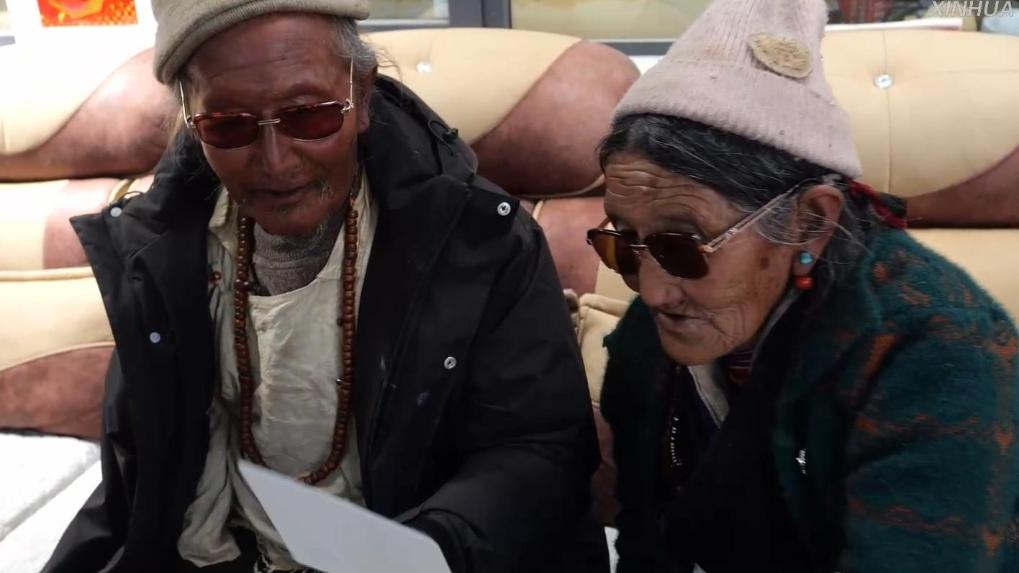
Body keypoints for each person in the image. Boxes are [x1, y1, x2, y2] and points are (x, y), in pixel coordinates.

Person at [43, 2, 602, 572]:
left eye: (308, 116)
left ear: (362, 95)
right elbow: (138, 472)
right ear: (191, 120)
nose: (274, 161)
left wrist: (429, 548)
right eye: (229, 125)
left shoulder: (482, 240)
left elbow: (539, 447)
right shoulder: (159, 250)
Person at [591, 0, 1019, 571]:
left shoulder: (938, 349)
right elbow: (646, 532)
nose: (651, 291)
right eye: (623, 242)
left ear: (810, 222)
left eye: (683, 246)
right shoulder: (651, 334)